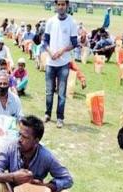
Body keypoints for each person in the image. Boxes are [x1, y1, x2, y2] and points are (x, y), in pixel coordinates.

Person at [43, 0, 78, 128]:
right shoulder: (50, 21)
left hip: (64, 63)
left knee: (62, 93)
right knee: (49, 91)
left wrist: (62, 51)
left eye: (63, 5)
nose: (61, 7)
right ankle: (47, 114)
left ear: (67, 6)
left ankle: (60, 117)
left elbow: (74, 43)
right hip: (50, 62)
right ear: (55, 6)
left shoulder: (72, 23)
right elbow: (45, 41)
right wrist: (50, 52)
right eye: (59, 4)